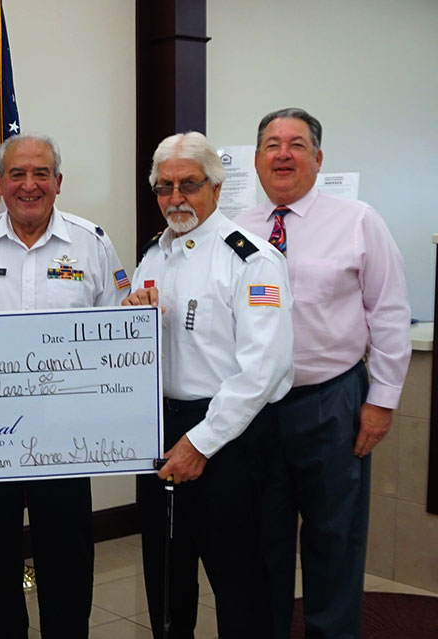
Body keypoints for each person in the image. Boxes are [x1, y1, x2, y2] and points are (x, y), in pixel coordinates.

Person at [0, 133, 127, 639]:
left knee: (67, 555)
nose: (29, 184)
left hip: (67, 436)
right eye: (16, 174)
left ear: (59, 182)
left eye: (41, 173)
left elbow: (119, 340)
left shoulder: (92, 243)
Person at [235, 108, 411, 639]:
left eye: (295, 144)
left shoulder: (358, 220)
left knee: (334, 539)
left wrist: (381, 401)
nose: (282, 154)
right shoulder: (236, 228)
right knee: (260, 542)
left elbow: (389, 311)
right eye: (271, 144)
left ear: (318, 157)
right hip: (256, 408)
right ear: (257, 157)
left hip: (331, 401)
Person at [124, 131, 293, 639]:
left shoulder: (251, 259)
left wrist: (201, 443)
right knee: (166, 578)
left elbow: (262, 369)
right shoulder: (154, 257)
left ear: (216, 188)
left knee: (239, 583)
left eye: (189, 184)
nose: (175, 197)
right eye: (164, 186)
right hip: (161, 433)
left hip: (229, 437)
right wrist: (133, 316)